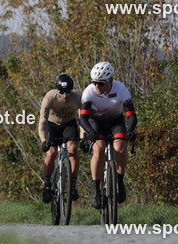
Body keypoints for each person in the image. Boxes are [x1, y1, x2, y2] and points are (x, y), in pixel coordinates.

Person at [78, 61, 137, 208]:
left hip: (115, 121)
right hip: (95, 122)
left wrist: (129, 131)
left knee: (121, 148)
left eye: (101, 83)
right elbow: (83, 118)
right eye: (94, 82)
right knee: (98, 149)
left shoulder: (121, 89)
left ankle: (119, 181)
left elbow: (131, 116)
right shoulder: (89, 92)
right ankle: (96, 190)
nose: (97, 86)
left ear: (110, 81)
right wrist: (90, 132)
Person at [38, 73, 81, 203]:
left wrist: (84, 138)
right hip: (52, 125)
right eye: (62, 93)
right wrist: (44, 140)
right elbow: (42, 121)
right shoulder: (50, 97)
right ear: (57, 90)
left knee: (72, 148)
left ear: (72, 90)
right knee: (51, 153)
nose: (65, 96)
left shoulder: (78, 97)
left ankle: (72, 186)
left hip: (69, 124)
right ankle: (47, 185)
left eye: (68, 92)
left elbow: (83, 120)